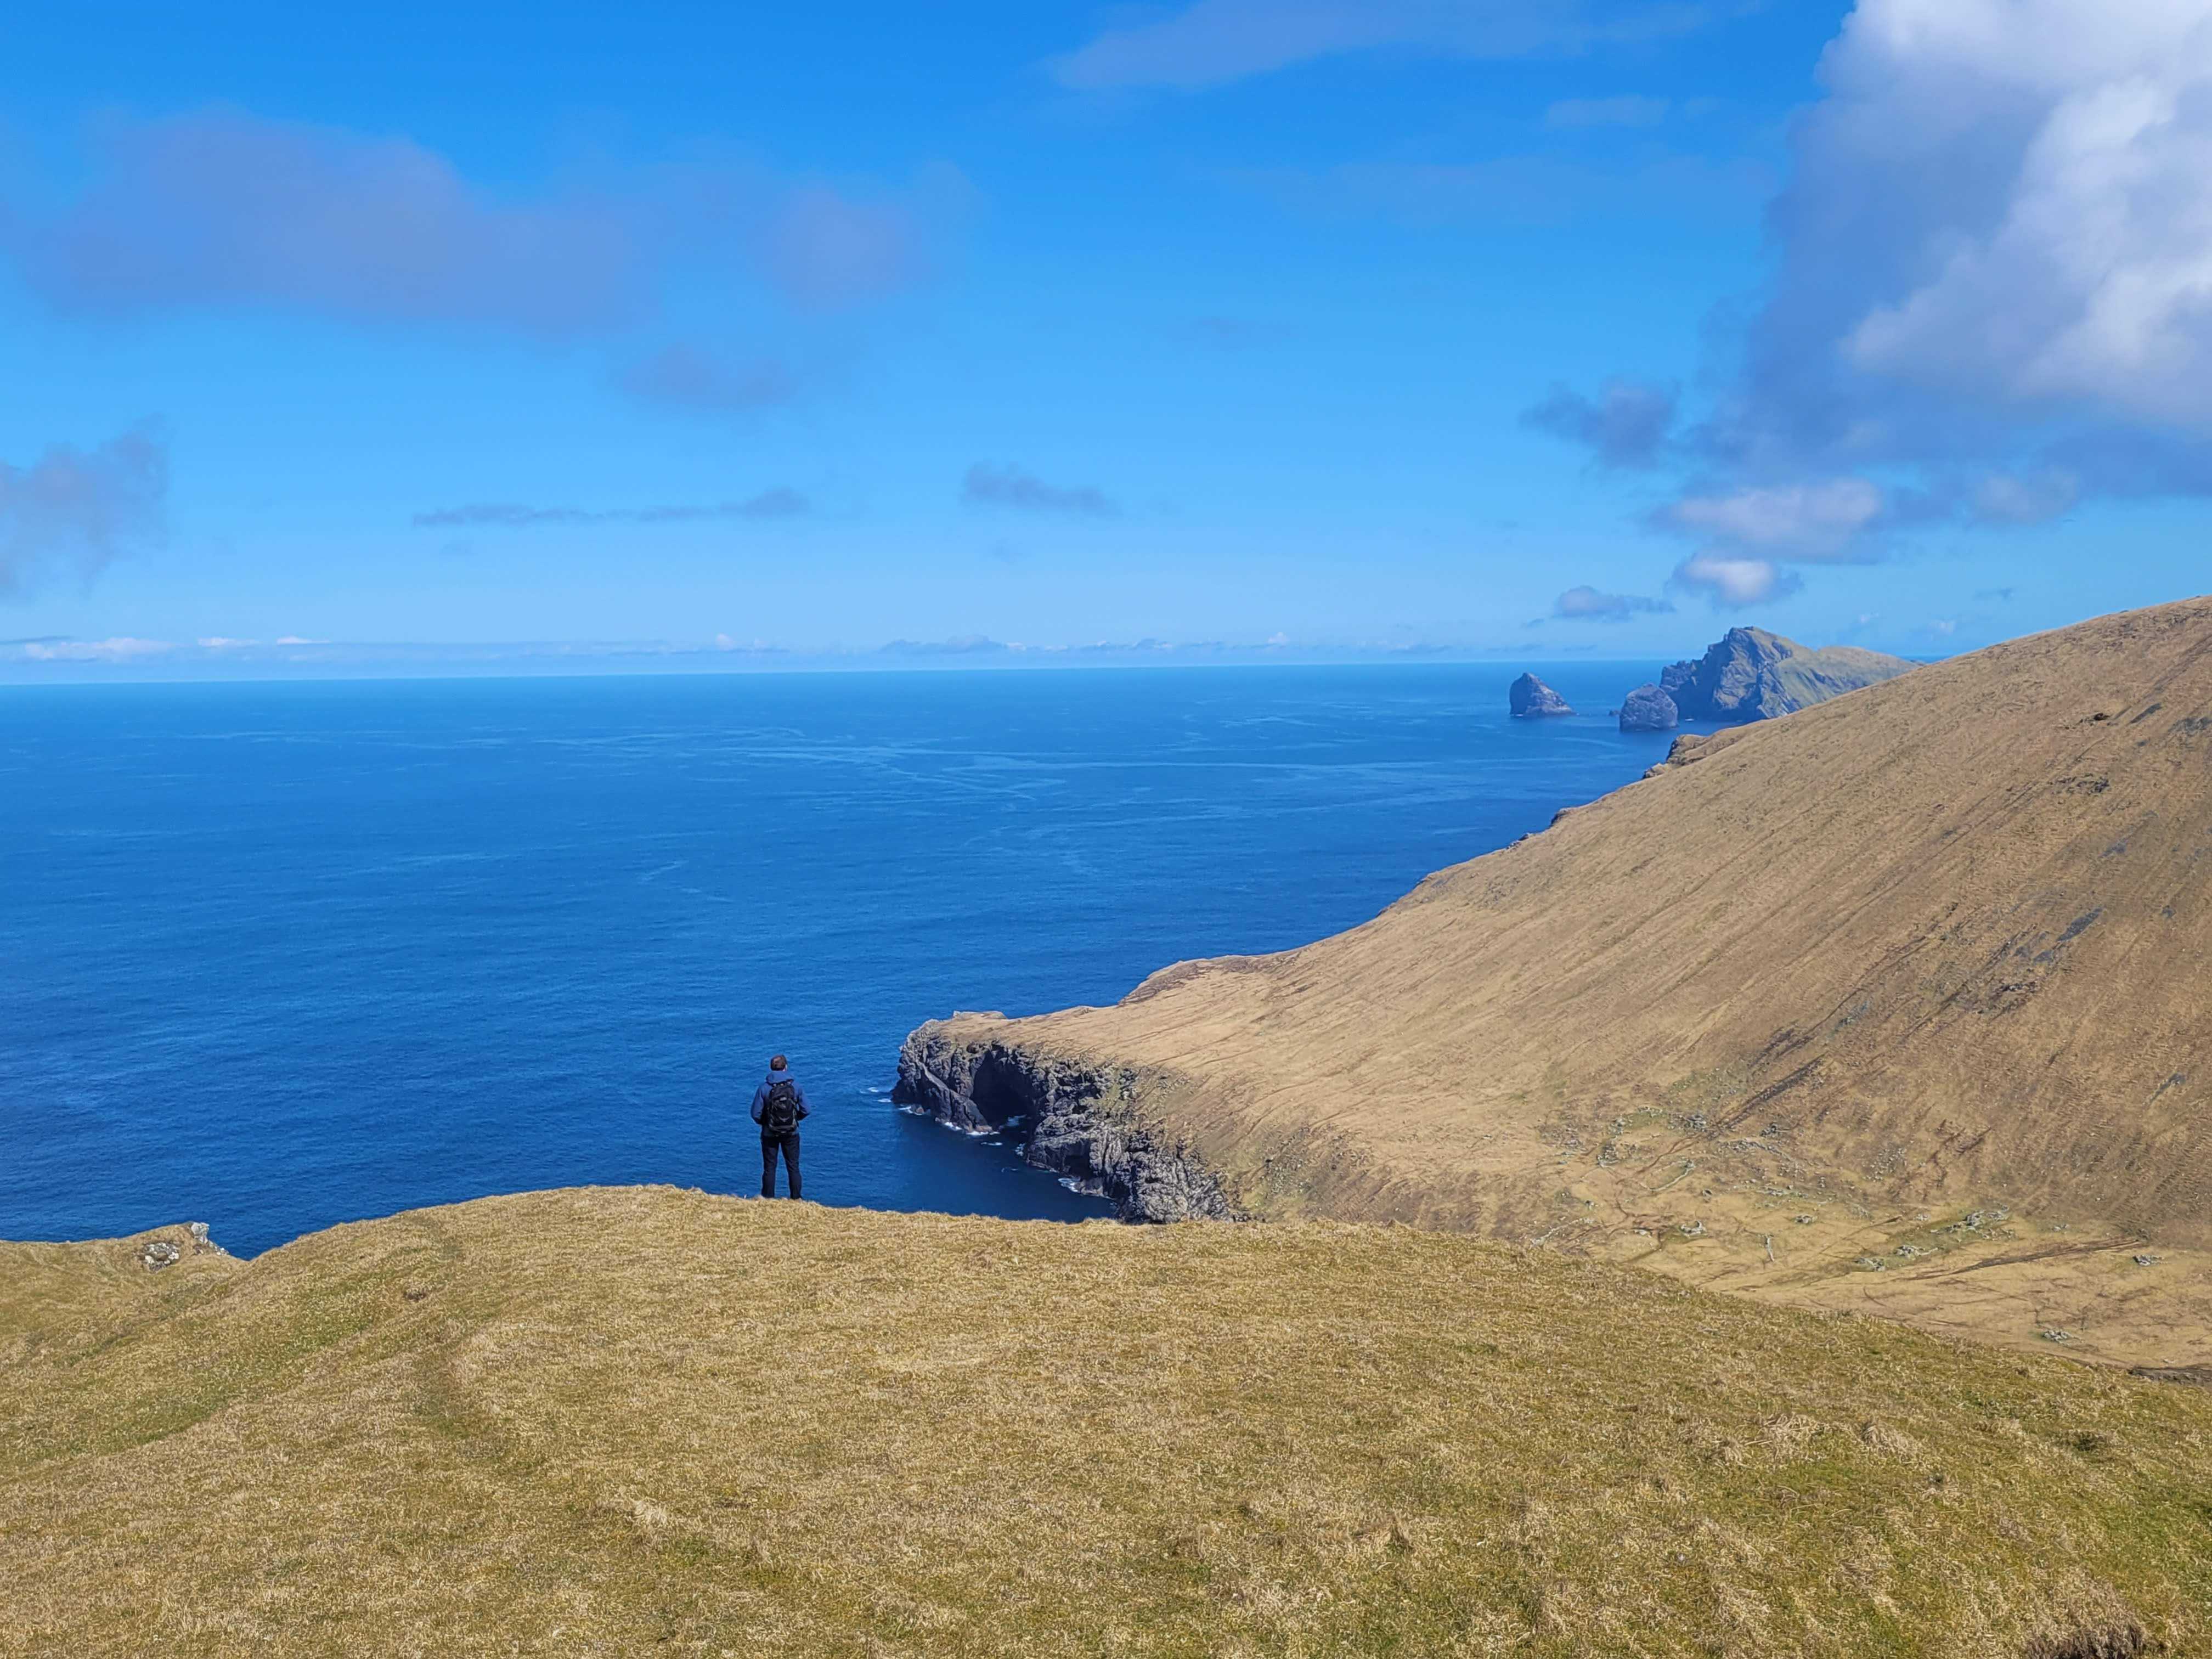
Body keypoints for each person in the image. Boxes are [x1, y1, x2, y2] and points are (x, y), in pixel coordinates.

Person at [751, 1054, 809, 1199]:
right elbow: (807, 1109)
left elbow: (755, 1113)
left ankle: (768, 1199)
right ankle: (796, 1198)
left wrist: (765, 1123)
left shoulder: (764, 1088)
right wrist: (796, 1119)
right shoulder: (795, 1086)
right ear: (786, 1067)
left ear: (771, 1068)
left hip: (769, 1133)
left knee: (770, 1168)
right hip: (791, 1132)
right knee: (793, 1167)